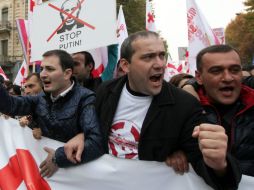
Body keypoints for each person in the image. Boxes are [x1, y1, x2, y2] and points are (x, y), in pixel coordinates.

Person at [64, 31, 241, 190]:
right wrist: (82, 135)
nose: (159, 64)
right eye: (148, 57)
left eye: (161, 56)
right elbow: (92, 129)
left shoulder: (185, 105)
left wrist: (220, 165)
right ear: (125, 65)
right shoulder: (105, 91)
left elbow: (209, 168)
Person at [0, 49, 103, 177]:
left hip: (74, 177)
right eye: (42, 69)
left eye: (49, 69)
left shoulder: (85, 99)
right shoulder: (40, 98)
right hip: (44, 173)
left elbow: (96, 142)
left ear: (67, 74)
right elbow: (10, 105)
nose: (42, 74)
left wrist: (57, 158)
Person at [19, 73, 44, 139]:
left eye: (31, 86)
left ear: (43, 85)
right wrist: (26, 120)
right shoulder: (30, 106)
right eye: (25, 87)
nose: (27, 91)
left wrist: (43, 131)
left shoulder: (54, 103)